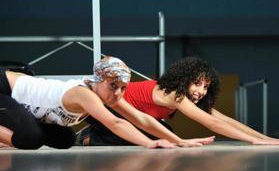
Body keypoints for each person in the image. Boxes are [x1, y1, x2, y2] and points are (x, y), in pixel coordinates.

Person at [77, 56, 279, 146]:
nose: (201, 91)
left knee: (164, 130)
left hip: (130, 117)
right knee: (160, 135)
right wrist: (255, 142)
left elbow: (225, 119)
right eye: (197, 84)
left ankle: (96, 136)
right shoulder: (176, 94)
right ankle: (91, 139)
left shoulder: (186, 96)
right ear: (184, 80)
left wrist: (264, 137)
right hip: (108, 109)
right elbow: (213, 124)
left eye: (206, 87)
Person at [0, 56, 176, 149]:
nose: (117, 93)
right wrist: (149, 143)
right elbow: (116, 123)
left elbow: (140, 118)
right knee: (31, 139)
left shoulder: (107, 95)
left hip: (20, 99)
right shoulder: (84, 94)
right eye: (113, 85)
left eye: (123, 88)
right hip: (4, 87)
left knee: (65, 139)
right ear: (98, 79)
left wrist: (179, 140)